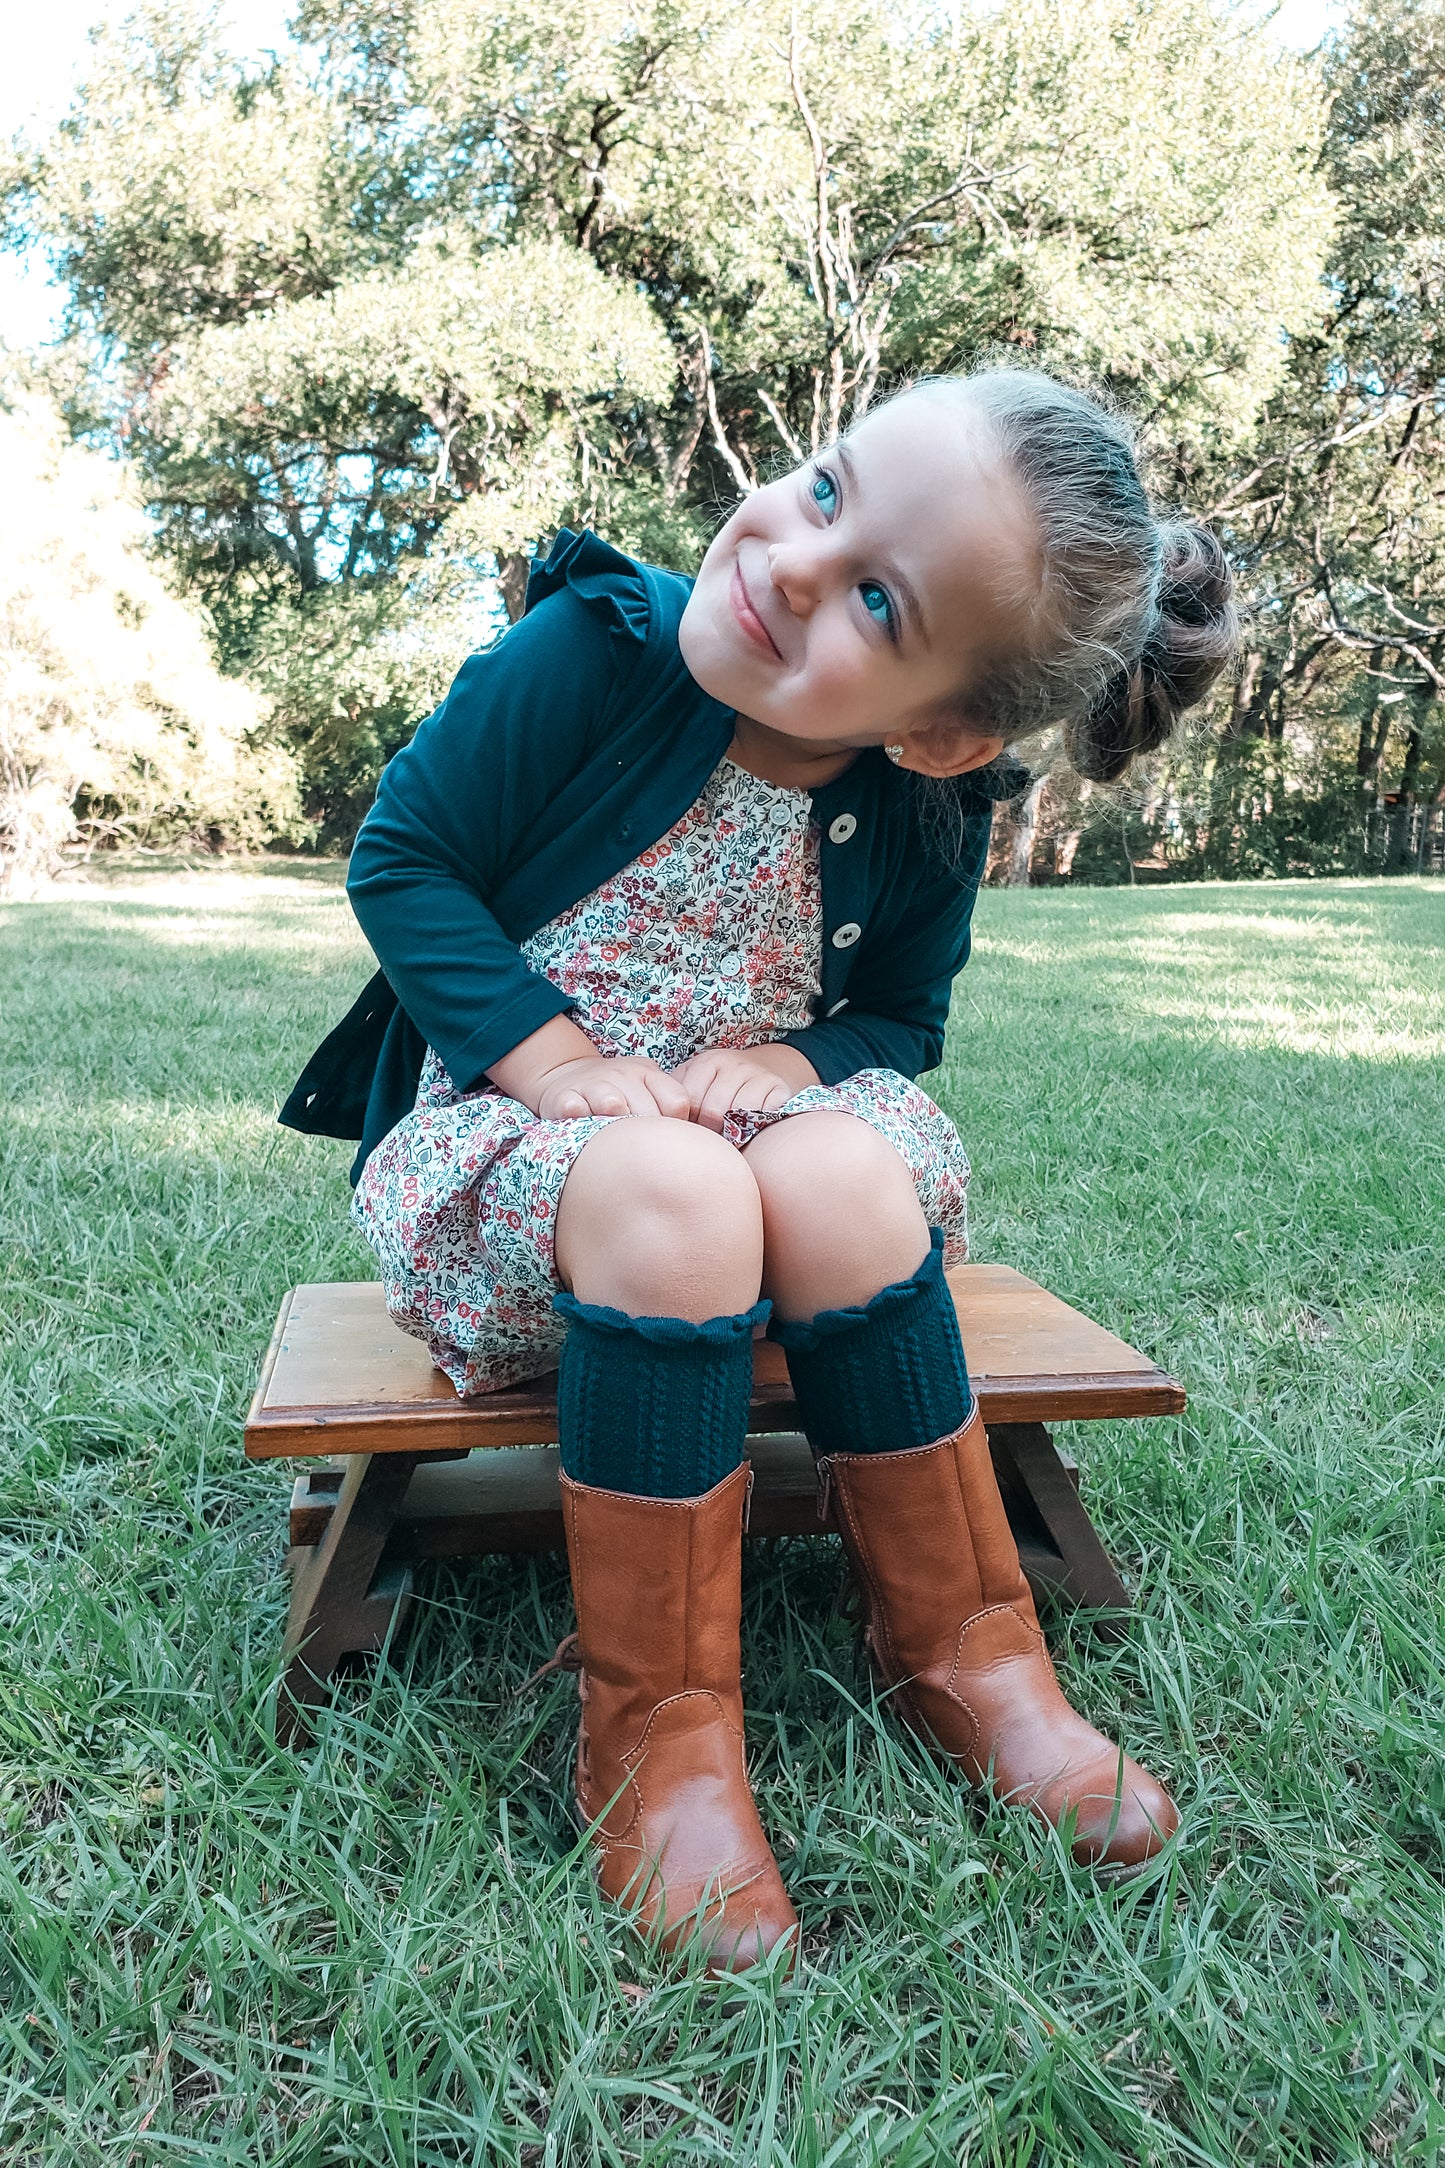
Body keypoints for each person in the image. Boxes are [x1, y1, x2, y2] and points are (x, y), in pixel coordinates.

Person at [282, 367, 1238, 1977]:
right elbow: (406, 856)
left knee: (844, 1180)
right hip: (525, 1150)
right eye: (821, 486)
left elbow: (896, 1022)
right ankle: (655, 1732)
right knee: (677, 1190)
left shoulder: (932, 814)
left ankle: (966, 1653)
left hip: (769, 1171)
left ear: (939, 731)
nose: (793, 561)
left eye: (876, 594)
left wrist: (795, 1068)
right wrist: (567, 1068)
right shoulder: (591, 655)